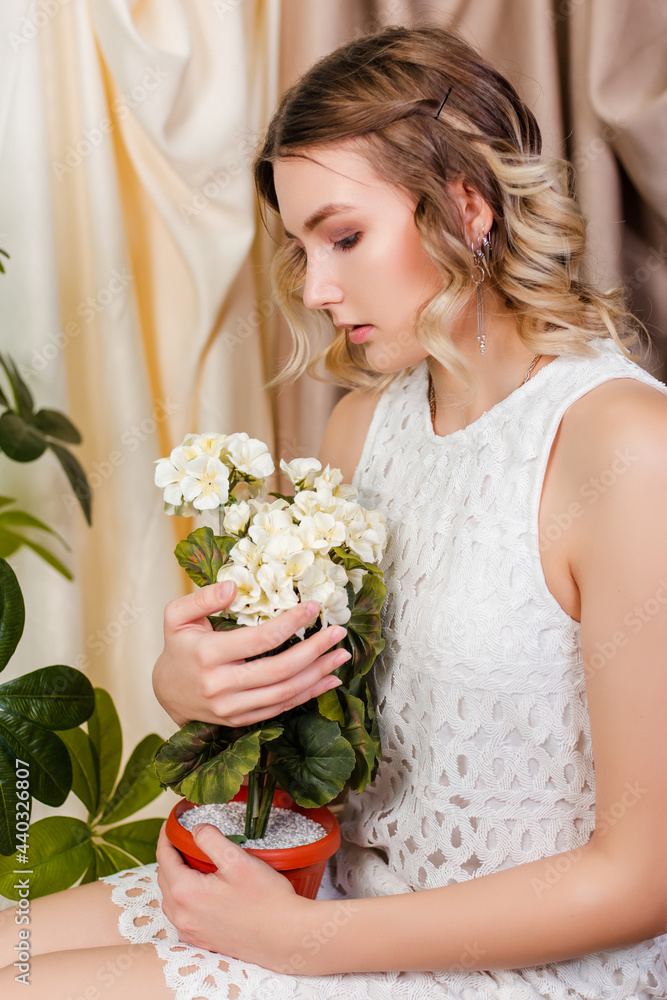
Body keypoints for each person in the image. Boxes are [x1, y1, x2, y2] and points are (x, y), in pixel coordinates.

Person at [2, 23, 667, 1000]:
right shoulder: (363, 429)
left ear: (466, 205)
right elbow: (320, 728)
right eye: (300, 246)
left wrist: (300, 943)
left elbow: (642, 876)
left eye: (345, 236)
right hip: (333, 889)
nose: (314, 289)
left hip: (519, 971)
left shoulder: (623, 449)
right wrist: (191, 686)